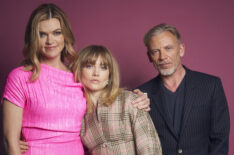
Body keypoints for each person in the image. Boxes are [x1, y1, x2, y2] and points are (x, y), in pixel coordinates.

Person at [2, 3, 150, 155]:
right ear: (33, 38)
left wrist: (136, 101)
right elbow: (10, 141)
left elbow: (107, 99)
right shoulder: (20, 77)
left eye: (57, 32)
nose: (50, 41)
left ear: (65, 35)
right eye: (42, 34)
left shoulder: (78, 76)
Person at [137, 23, 230, 155]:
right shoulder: (141, 95)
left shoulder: (211, 86)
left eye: (168, 48)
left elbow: (220, 139)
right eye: (155, 51)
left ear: (181, 50)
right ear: (149, 56)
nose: (162, 57)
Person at [74, 45, 162, 155]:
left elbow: (149, 147)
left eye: (103, 67)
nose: (96, 73)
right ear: (79, 70)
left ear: (109, 75)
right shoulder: (79, 114)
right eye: (89, 66)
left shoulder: (129, 100)